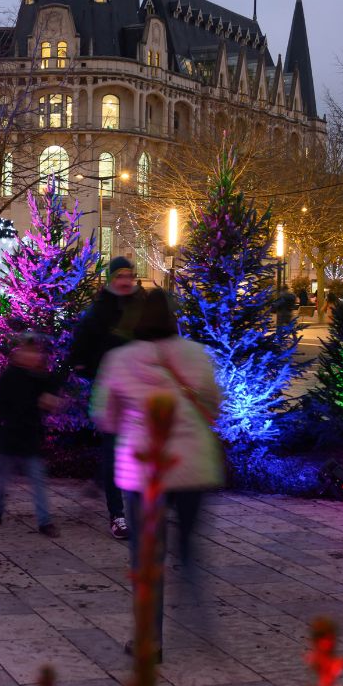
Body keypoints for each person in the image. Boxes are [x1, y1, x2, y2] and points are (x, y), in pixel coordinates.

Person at [92, 288, 224, 658]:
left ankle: (150, 639)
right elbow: (214, 402)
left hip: (145, 470)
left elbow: (104, 415)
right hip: (193, 466)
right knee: (187, 548)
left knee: (147, 558)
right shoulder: (195, 354)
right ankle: (202, 624)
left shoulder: (119, 360)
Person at [63, 255, 141, 539]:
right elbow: (81, 343)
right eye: (119, 276)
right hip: (110, 389)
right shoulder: (99, 310)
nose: (124, 281)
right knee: (112, 449)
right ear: (111, 279)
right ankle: (117, 515)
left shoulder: (140, 307)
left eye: (127, 276)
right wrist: (85, 366)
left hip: (137, 388)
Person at [0, 333, 59, 535]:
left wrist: (49, 403)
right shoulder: (10, 376)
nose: (32, 356)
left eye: (35, 352)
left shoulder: (43, 378)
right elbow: (0, 405)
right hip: (9, 438)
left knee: (38, 481)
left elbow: (51, 395)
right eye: (28, 351)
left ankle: (45, 522)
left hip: (30, 439)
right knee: (2, 481)